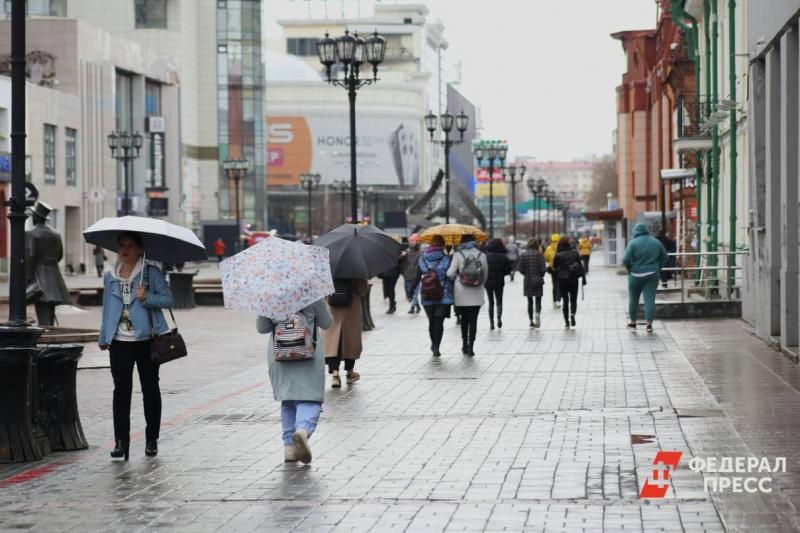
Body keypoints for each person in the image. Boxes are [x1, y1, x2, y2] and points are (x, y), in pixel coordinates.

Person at [97, 232, 173, 460]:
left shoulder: (151, 272)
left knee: (150, 390)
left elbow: (169, 299)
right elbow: (107, 308)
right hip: (119, 343)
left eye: (130, 246)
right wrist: (104, 336)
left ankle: (151, 438)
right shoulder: (110, 275)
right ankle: (121, 441)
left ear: (140, 249)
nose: (125, 250)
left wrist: (148, 296)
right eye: (121, 245)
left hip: (147, 341)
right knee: (121, 391)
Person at [256, 299, 332, 464]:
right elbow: (327, 323)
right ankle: (303, 430)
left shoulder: (271, 294)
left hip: (280, 354)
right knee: (311, 398)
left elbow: (262, 328)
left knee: (288, 400)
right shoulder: (312, 294)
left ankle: (289, 448)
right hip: (308, 353)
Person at [25, 201, 72, 327]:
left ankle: (45, 338)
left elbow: (30, 257)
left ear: (37, 216)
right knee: (50, 311)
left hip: (39, 278)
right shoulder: (55, 234)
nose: (32, 217)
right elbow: (59, 255)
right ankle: (50, 334)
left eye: (33, 215)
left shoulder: (31, 233)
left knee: (42, 312)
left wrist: (27, 278)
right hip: (54, 277)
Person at [322, 278, 369, 387]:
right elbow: (363, 289)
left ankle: (335, 375)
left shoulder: (328, 267)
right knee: (350, 339)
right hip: (351, 307)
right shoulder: (355, 268)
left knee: (333, 341)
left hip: (333, 306)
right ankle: (350, 372)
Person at [447, 235, 488, 356]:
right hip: (477, 292)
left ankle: (464, 344)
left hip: (461, 292)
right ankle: (471, 347)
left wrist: (458, 278)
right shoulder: (482, 255)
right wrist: (479, 283)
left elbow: (449, 273)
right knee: (473, 320)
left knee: (464, 320)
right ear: (474, 242)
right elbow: (485, 275)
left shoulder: (458, 255)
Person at [624, 223, 669, 332]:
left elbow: (625, 259)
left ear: (635, 231)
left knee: (633, 299)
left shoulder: (632, 243)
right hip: (652, 274)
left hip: (635, 275)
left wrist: (630, 269)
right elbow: (665, 257)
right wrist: (658, 267)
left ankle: (633, 322)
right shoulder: (656, 242)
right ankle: (649, 325)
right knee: (649, 299)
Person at [414, 235, 454, 356]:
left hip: (427, 294)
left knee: (431, 321)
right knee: (439, 322)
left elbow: (417, 276)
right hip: (444, 294)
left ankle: (433, 344)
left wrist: (410, 292)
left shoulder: (422, 258)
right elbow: (450, 276)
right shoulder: (446, 259)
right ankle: (436, 346)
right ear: (442, 245)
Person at [553, 236, 587, 329]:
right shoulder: (575, 253)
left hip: (562, 280)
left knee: (565, 300)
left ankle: (566, 322)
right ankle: (572, 314)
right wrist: (583, 279)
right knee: (573, 299)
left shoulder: (558, 254)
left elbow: (554, 267)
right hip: (573, 279)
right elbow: (580, 267)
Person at [518, 238, 547, 328]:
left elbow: (520, 268)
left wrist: (526, 274)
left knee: (529, 301)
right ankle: (537, 313)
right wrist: (540, 275)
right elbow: (543, 268)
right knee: (538, 299)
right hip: (537, 279)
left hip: (528, 280)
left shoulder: (523, 255)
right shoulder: (540, 255)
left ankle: (531, 320)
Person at [484, 238, 511, 330]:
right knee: (499, 301)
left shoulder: (486, 257)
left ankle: (491, 322)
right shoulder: (504, 257)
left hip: (488, 282)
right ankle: (499, 317)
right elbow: (508, 271)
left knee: (490, 302)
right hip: (499, 281)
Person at [402, 233, 422, 314]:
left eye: (413, 241)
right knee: (408, 292)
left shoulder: (421, 252)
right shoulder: (407, 251)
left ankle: (412, 307)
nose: (411, 242)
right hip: (407, 275)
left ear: (417, 241)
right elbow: (401, 262)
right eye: (410, 241)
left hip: (416, 275)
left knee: (415, 292)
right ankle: (417, 305)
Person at [379, 248, 402, 314]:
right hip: (385, 273)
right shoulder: (384, 249)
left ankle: (392, 306)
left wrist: (402, 255)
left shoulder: (397, 249)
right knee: (386, 291)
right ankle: (393, 302)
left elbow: (400, 260)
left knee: (391, 289)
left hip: (394, 273)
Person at [543, 233, 561, 309]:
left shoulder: (548, 248)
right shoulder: (561, 248)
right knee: (559, 285)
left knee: (554, 285)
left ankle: (554, 301)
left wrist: (551, 261)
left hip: (552, 269)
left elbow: (545, 258)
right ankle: (558, 301)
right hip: (560, 269)